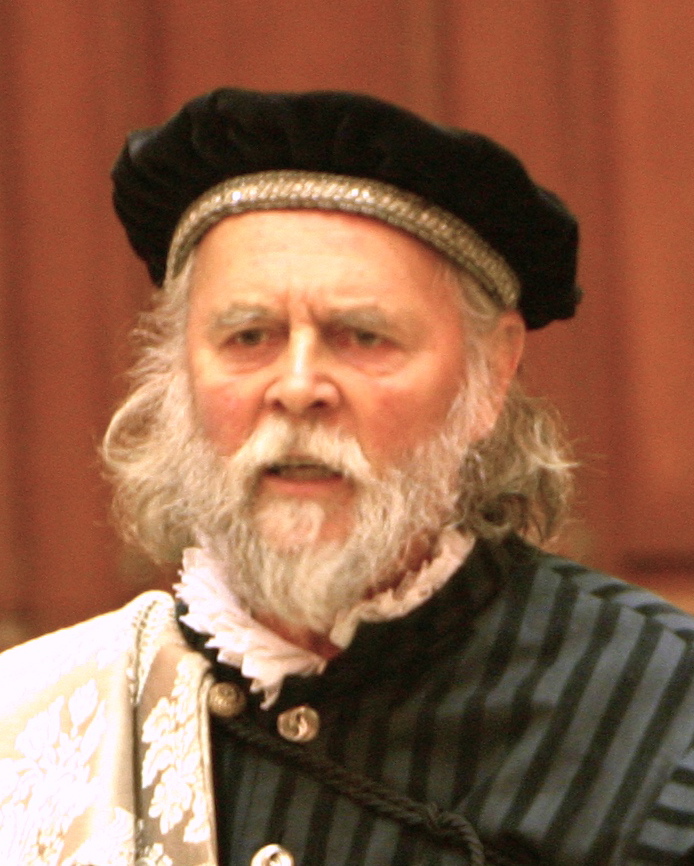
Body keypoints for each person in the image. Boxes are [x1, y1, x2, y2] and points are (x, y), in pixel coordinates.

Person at [1, 89, 693, 866]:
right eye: (248, 336)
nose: (298, 387)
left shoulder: (666, 717)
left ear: (491, 374)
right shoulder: (31, 723)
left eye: (362, 337)